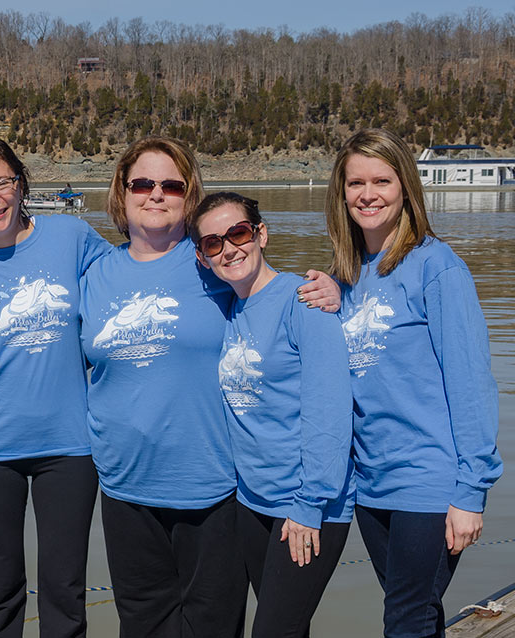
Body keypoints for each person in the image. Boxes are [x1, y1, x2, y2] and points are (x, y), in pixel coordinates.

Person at [77, 136, 341, 637]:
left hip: (215, 489)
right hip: (124, 487)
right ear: (122, 192)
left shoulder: (211, 261)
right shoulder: (93, 273)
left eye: (172, 185)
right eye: (143, 183)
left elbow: (271, 293)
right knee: (142, 625)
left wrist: (335, 292)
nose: (157, 194)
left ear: (189, 194)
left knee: (215, 626)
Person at [325, 128, 502, 638]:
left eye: (382, 179)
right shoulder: (349, 274)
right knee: (418, 613)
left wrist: (471, 492)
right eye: (355, 182)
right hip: (372, 482)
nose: (368, 193)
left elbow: (471, 384)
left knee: (406, 619)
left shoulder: (436, 267)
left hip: (429, 481)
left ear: (406, 186)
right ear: (341, 192)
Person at [0, 136, 111, 638]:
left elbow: (127, 281)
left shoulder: (71, 237)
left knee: (64, 590)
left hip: (69, 446)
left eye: (1, 183)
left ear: (20, 184)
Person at [188, 192, 353, 638]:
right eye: (212, 244)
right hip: (251, 501)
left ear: (261, 234)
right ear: (203, 257)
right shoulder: (227, 308)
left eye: (238, 233)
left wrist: (309, 503)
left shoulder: (304, 302)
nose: (229, 249)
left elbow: (330, 410)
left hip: (305, 506)